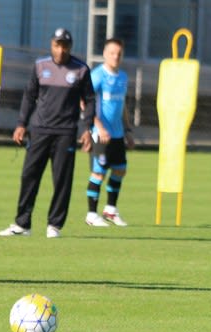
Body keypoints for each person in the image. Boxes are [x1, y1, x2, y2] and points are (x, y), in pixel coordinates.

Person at [0, 28, 94, 238]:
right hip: (40, 130)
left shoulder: (81, 69)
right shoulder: (40, 66)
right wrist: (22, 124)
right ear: (51, 45)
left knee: (62, 180)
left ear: (70, 47)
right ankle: (22, 224)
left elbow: (90, 101)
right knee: (29, 176)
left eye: (64, 46)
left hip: (65, 132)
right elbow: (29, 96)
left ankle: (54, 225)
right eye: (57, 45)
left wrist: (87, 129)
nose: (60, 50)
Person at [83, 38, 135, 227]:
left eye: (119, 53)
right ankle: (91, 214)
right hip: (100, 134)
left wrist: (128, 130)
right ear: (104, 54)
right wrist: (98, 127)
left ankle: (110, 210)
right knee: (98, 173)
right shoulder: (97, 76)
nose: (115, 56)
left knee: (120, 170)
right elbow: (85, 102)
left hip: (118, 134)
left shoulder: (123, 77)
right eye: (112, 53)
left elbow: (122, 107)